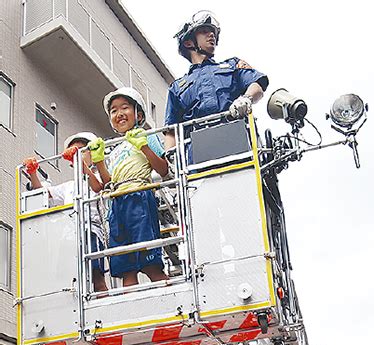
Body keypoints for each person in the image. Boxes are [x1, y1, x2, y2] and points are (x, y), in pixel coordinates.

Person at [89, 88, 168, 287]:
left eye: (125, 107)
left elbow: (164, 169)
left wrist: (144, 146)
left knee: (151, 264)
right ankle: (133, 312)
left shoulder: (146, 136)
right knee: (127, 270)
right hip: (117, 202)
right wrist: (99, 161)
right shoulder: (115, 149)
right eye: (114, 110)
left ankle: (175, 306)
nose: (119, 113)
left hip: (139, 196)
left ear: (138, 114)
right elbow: (108, 183)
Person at [164, 11, 269, 151]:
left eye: (213, 32)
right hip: (197, 157)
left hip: (240, 146)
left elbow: (257, 86)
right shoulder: (177, 88)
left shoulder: (232, 65)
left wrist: (246, 99)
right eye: (204, 31)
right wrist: (170, 159)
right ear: (189, 42)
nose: (211, 34)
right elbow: (171, 131)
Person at [23, 132, 108, 293]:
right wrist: (33, 172)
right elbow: (44, 193)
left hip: (90, 231)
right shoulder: (69, 186)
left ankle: (104, 309)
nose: (77, 155)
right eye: (74, 152)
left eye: (82, 150)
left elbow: (98, 187)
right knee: (69, 280)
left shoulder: (98, 176)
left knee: (97, 278)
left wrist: (81, 166)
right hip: (69, 236)